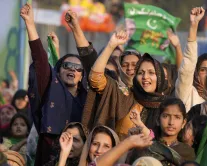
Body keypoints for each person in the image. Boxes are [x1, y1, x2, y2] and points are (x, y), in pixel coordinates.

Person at [20, 3, 98, 165]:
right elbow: (40, 61)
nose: (72, 70)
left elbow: (94, 66)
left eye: (78, 68)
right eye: (67, 65)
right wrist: (30, 24)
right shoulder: (49, 90)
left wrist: (76, 27)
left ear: (82, 75)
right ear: (58, 70)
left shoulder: (88, 98)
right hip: (49, 156)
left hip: (81, 159)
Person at [82, 30, 168, 139]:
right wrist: (111, 45)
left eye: (151, 73)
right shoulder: (125, 95)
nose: (145, 77)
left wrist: (141, 126)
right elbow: (95, 78)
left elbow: (166, 141)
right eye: (140, 73)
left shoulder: (167, 106)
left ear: (160, 76)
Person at [175, 7, 207, 112]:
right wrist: (194, 25)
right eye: (203, 70)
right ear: (196, 74)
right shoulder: (188, 93)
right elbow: (188, 66)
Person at [128, 98, 195, 165]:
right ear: (158, 120)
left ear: (183, 123)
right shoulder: (144, 146)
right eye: (166, 116)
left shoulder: (188, 152)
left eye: (177, 117)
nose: (171, 122)